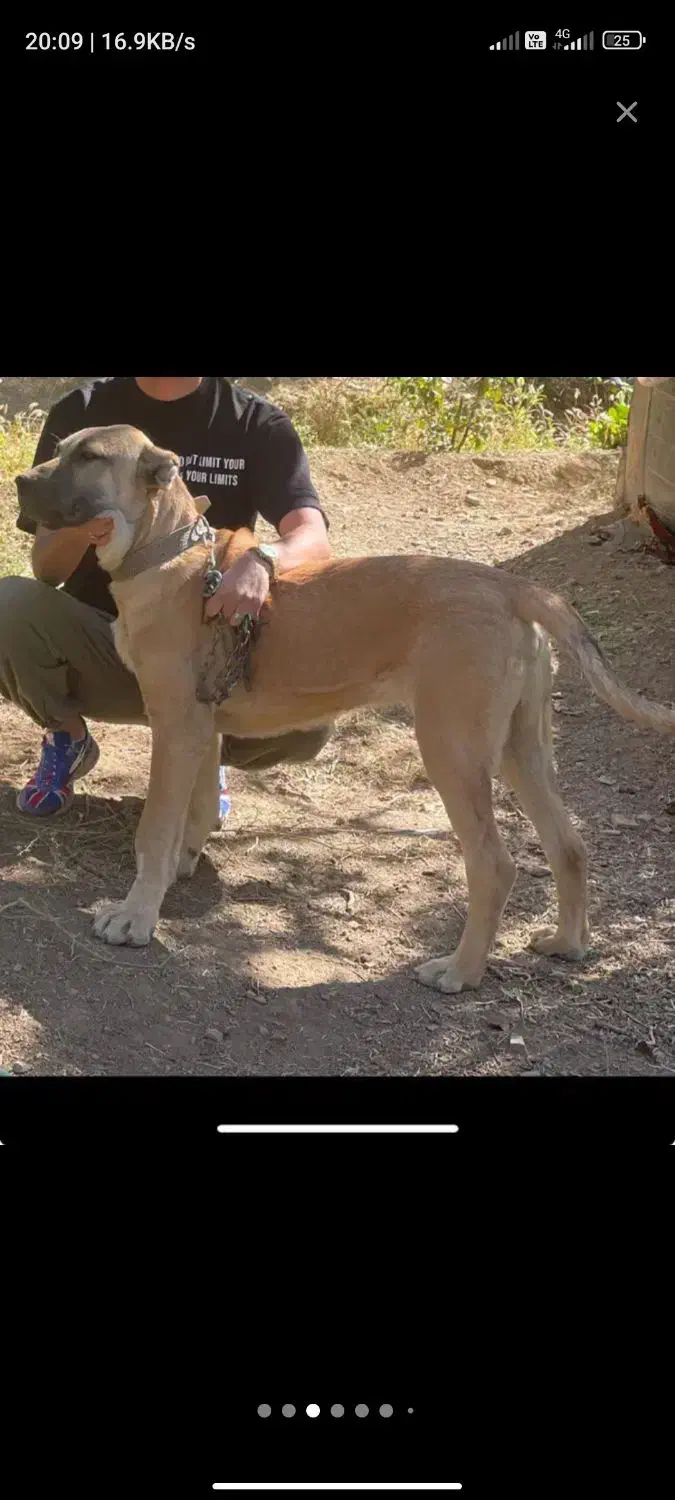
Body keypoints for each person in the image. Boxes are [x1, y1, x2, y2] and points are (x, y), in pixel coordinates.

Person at [1, 376, 333, 817]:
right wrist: (89, 524)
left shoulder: (255, 423)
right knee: (9, 606)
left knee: (307, 723)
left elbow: (313, 538)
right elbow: (48, 568)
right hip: (106, 645)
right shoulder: (83, 411)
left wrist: (263, 560)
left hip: (207, 662)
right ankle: (67, 736)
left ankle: (202, 754)